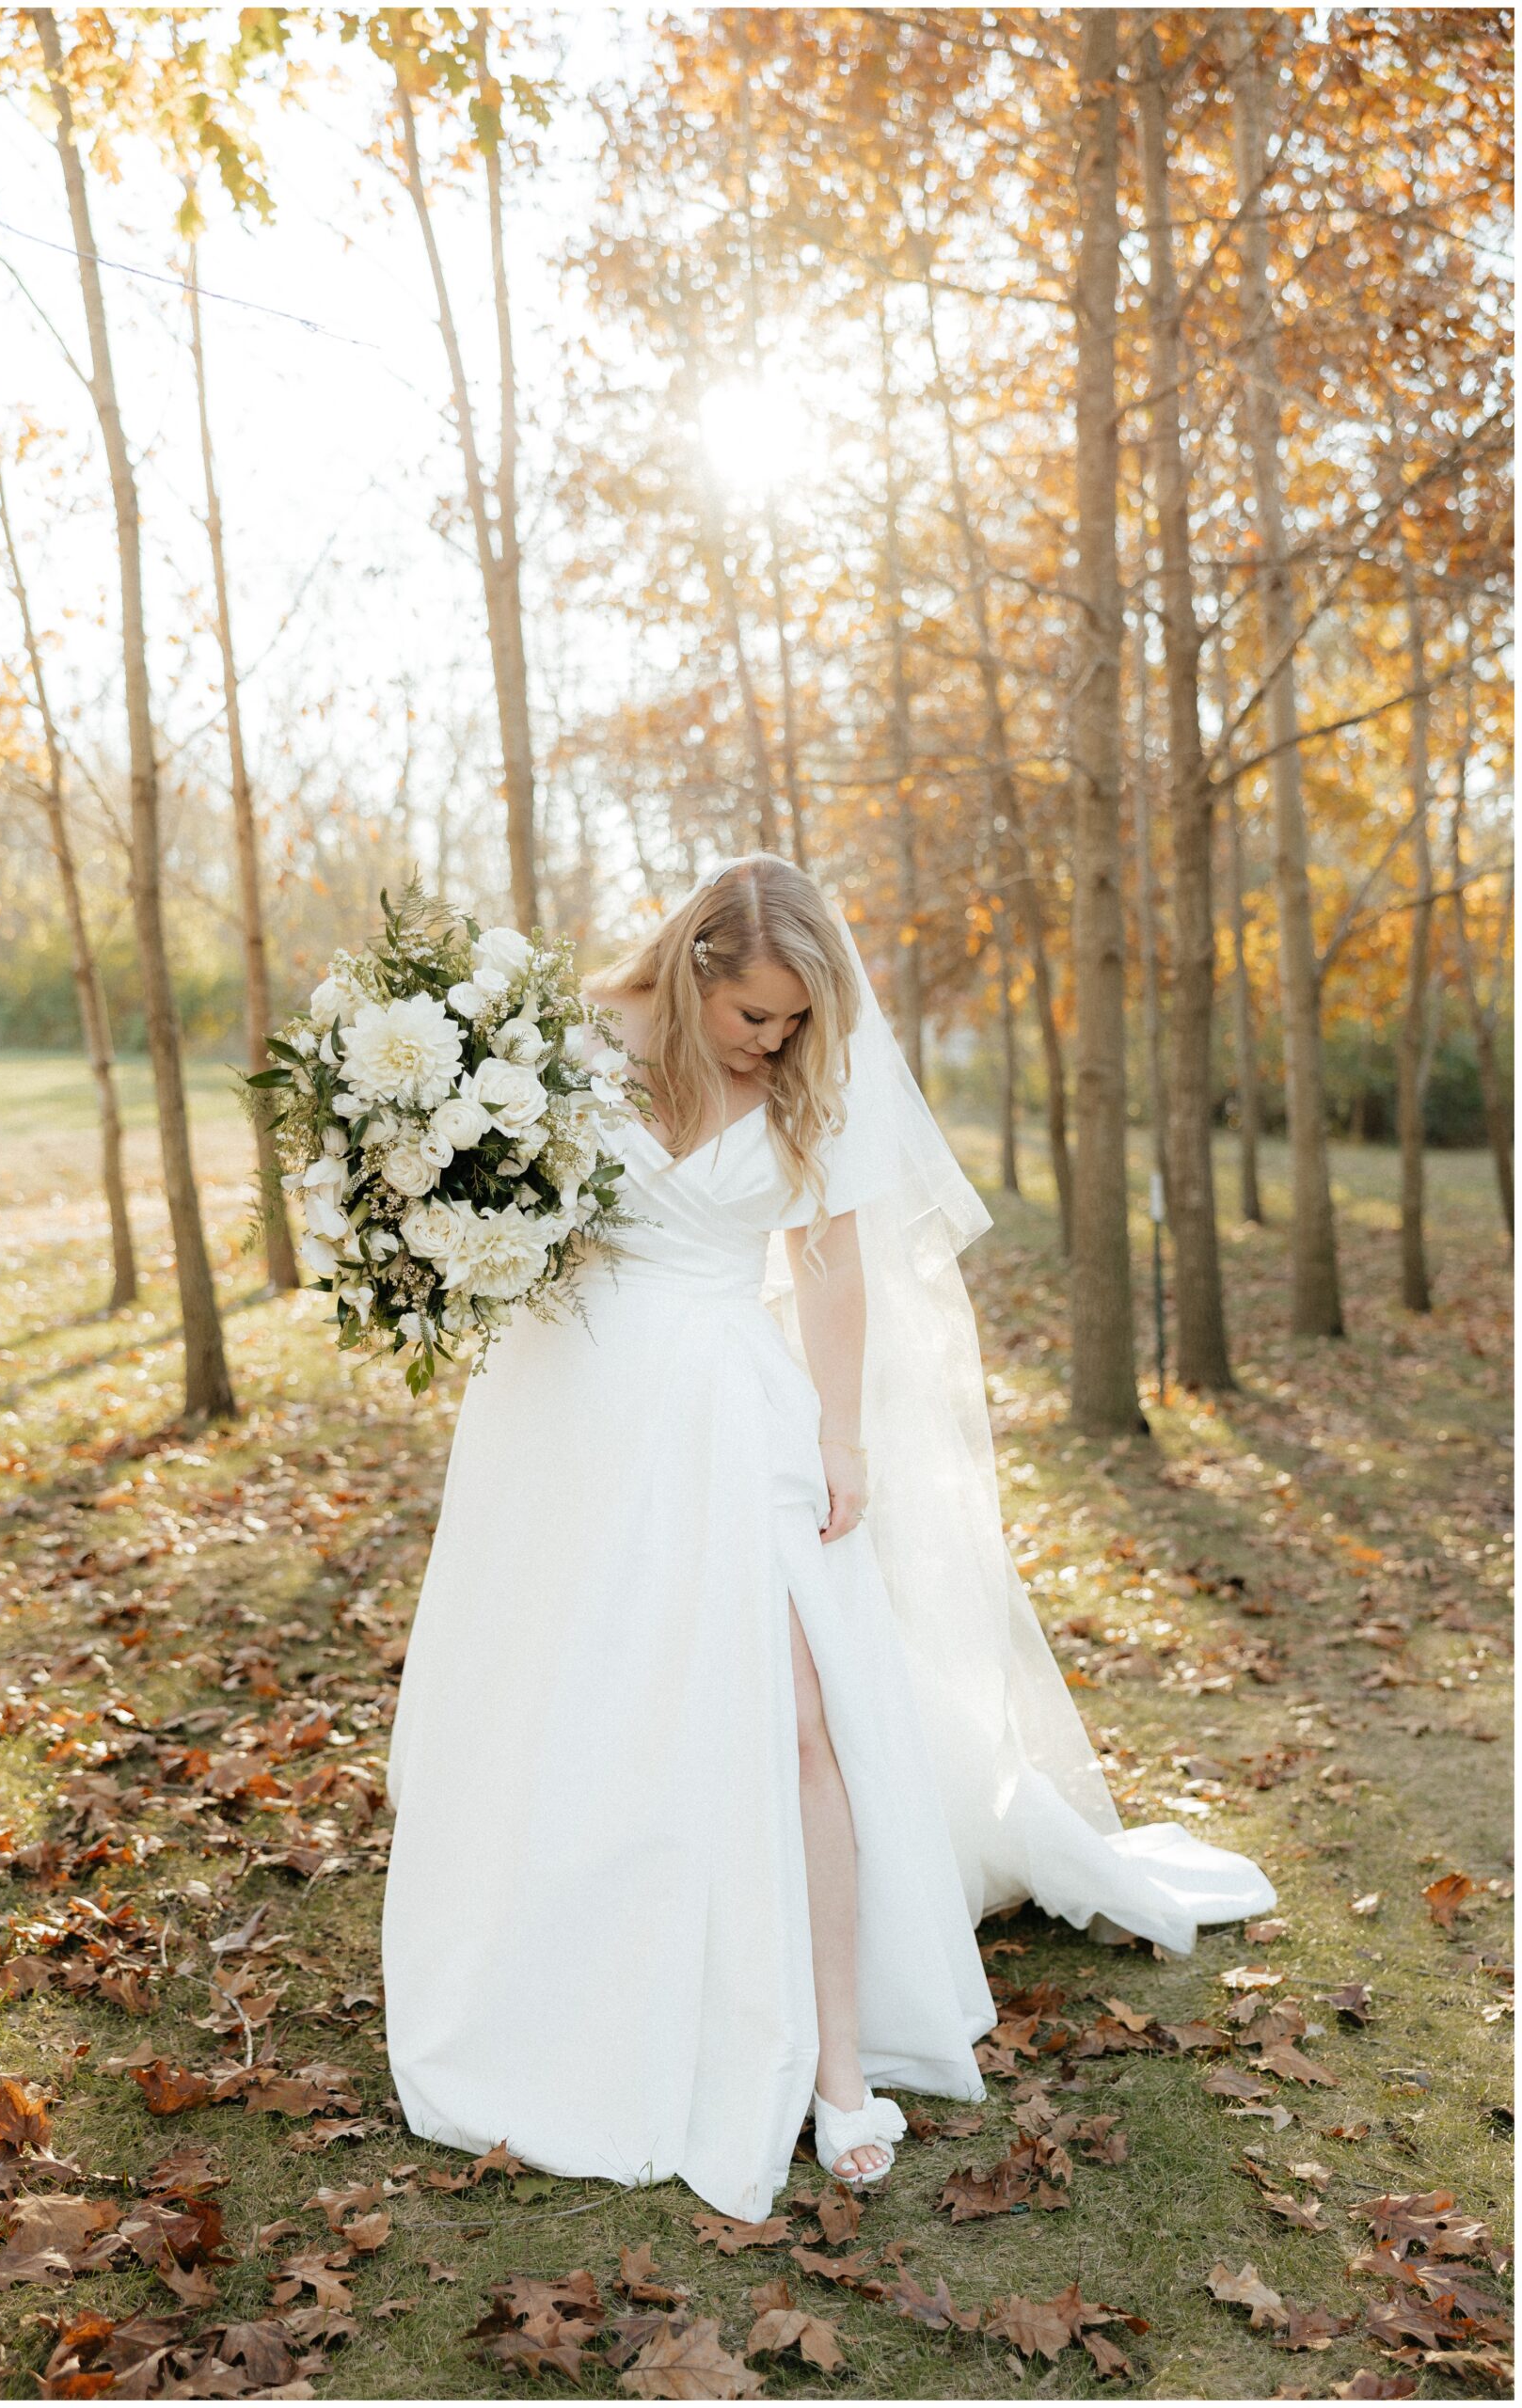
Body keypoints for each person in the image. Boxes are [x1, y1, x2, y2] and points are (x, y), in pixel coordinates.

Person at [381, 852, 1275, 2215]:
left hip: (735, 1413)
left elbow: (832, 1260)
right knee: (580, 1692)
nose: (777, 1039)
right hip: (570, 1410)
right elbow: (486, 1203)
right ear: (692, 973)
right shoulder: (556, 1044)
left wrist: (839, 1436)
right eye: (756, 1016)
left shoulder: (812, 1077)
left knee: (805, 1716)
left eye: (795, 1019)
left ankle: (840, 2061)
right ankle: (584, 1986)